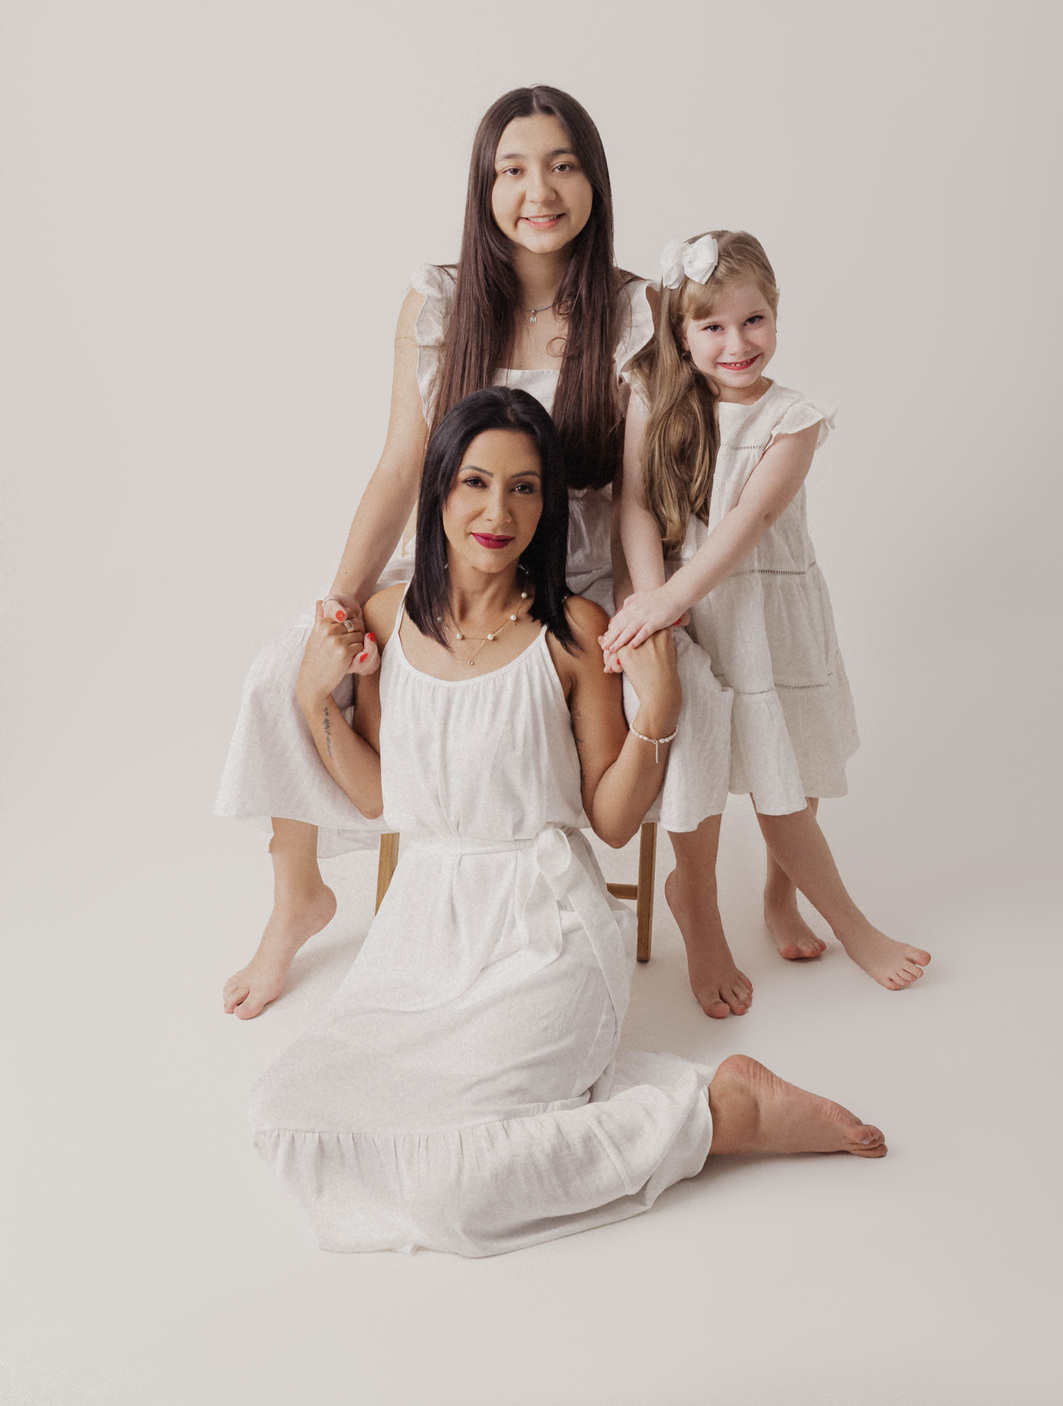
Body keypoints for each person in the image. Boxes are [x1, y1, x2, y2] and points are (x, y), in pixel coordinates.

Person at [249, 387, 887, 1257]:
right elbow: (376, 797)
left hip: (542, 931)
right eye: (475, 483)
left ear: (548, 505)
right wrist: (309, 696)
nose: (497, 513)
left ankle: (720, 1113)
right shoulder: (389, 621)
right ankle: (663, 1111)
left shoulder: (574, 633)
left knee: (455, 1189)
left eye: (524, 488)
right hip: (421, 937)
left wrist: (658, 711)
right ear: (439, 490)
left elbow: (613, 823)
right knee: (288, 1121)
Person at [218, 85, 727, 1019]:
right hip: (452, 572)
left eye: (563, 165)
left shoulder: (635, 313)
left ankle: (696, 899)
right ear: (483, 186)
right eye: (514, 169)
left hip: (575, 571)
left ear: (594, 180)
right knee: (284, 669)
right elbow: (398, 469)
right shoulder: (440, 301)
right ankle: (298, 897)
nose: (540, 191)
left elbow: (635, 494)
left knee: (688, 683)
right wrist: (339, 604)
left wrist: (644, 612)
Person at [602, 231, 931, 1015]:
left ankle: (783, 898)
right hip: (689, 616)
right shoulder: (652, 397)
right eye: (712, 326)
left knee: (794, 771)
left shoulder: (793, 419)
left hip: (766, 616)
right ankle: (737, 907)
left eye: (754, 320)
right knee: (705, 761)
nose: (737, 343)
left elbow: (748, 521)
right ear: (682, 333)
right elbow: (635, 503)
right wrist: (654, 602)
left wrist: (670, 597)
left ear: (776, 316)